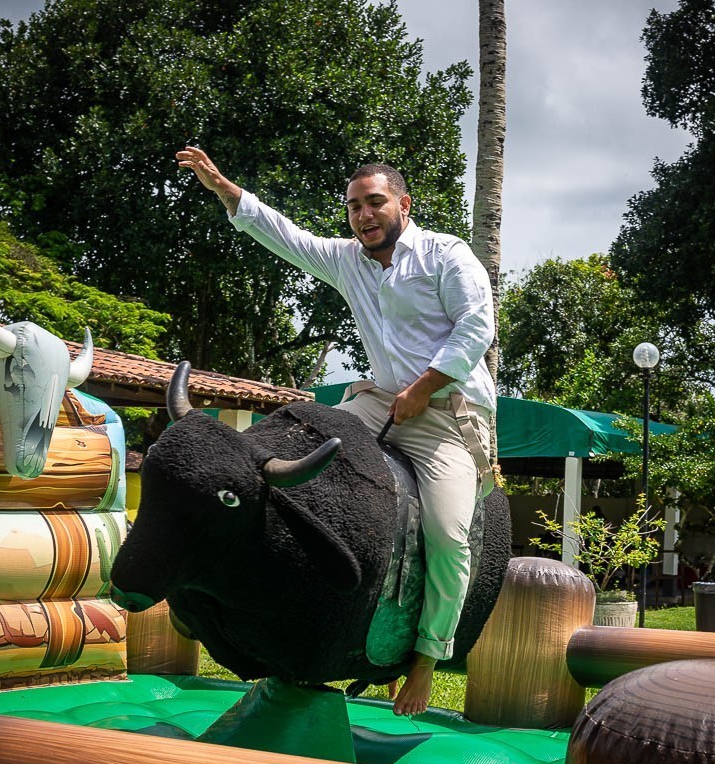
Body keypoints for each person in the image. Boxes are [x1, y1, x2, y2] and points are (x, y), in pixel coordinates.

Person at [175, 146, 496, 717]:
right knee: (305, 459)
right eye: (353, 207)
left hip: (444, 413)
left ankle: (426, 655)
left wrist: (422, 388)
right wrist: (226, 189)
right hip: (379, 403)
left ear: (403, 203)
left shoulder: (447, 255)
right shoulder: (347, 259)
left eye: (375, 203)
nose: (364, 215)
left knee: (449, 534)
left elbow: (477, 327)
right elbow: (287, 236)